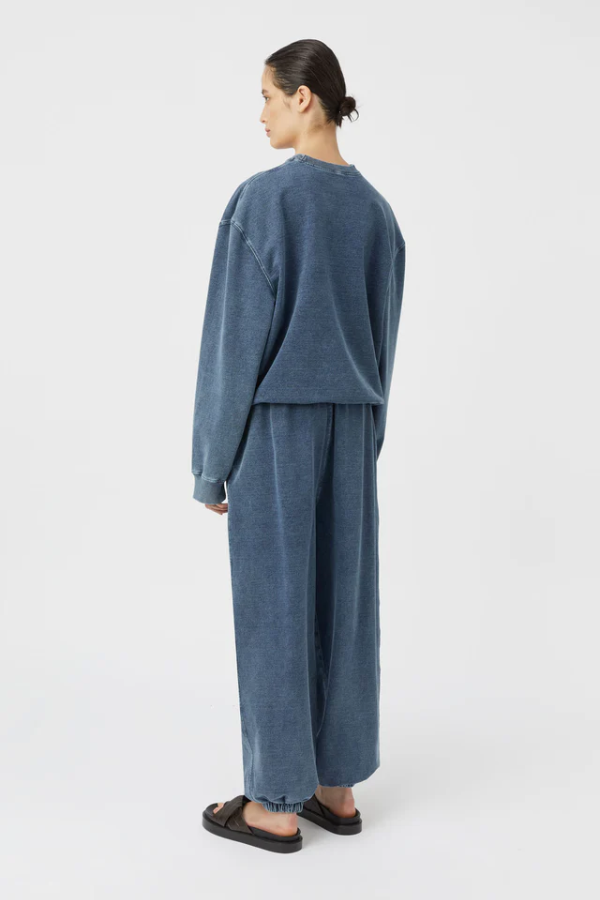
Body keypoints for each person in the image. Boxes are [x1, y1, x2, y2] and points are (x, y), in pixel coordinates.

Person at [192, 39, 406, 853]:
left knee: (277, 608)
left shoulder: (263, 202)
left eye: (268, 96)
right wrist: (363, 439)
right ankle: (337, 789)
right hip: (352, 426)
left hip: (278, 428)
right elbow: (384, 347)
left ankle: (275, 803)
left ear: (305, 97)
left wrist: (213, 462)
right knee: (345, 609)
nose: (261, 113)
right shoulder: (378, 214)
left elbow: (232, 346)